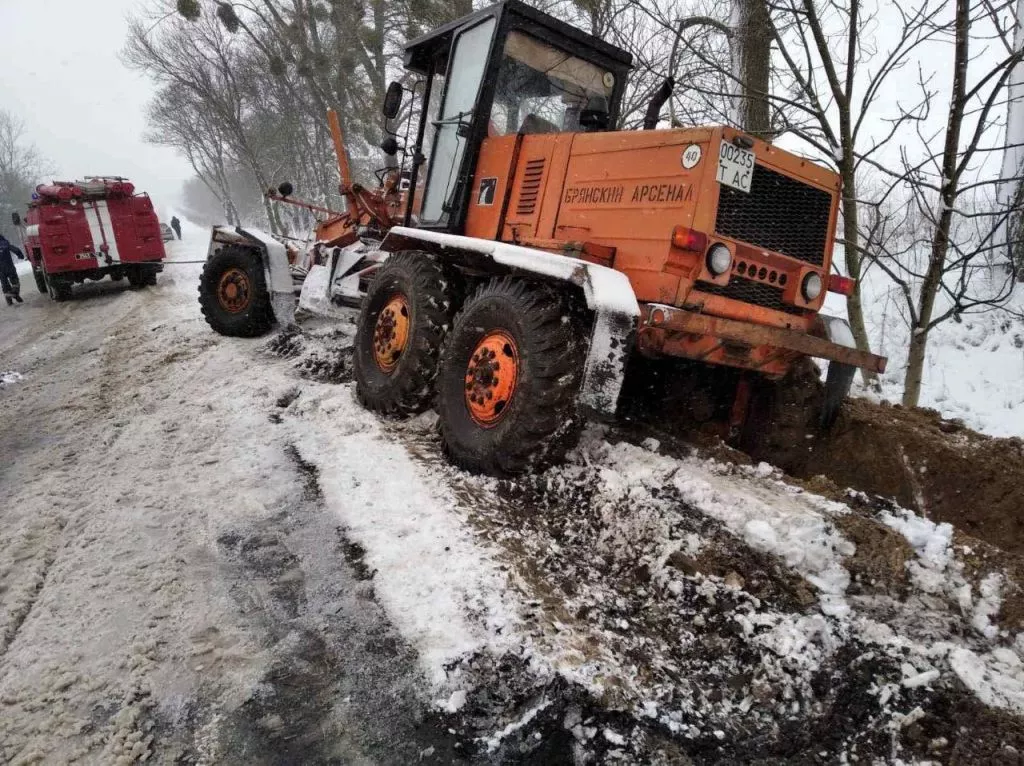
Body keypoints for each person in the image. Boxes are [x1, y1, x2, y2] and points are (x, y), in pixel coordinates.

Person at [0, 234, 25, 306]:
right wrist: (20, 255)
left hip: (0, 269)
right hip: (9, 266)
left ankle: (9, 302)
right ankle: (14, 294)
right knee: (15, 282)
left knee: (5, 284)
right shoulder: (4, 243)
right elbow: (15, 249)